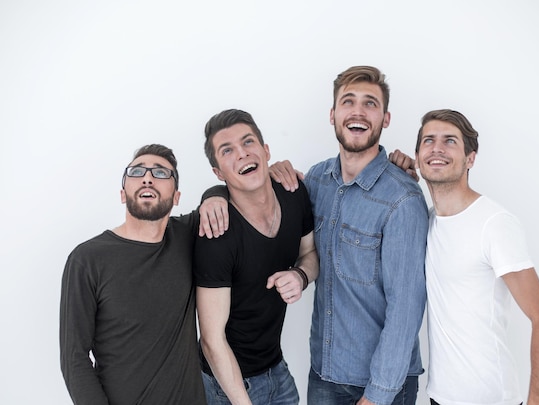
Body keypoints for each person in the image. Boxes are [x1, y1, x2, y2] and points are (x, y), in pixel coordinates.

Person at [200, 66, 429, 405]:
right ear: (333, 114)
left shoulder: (403, 199)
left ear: (386, 118)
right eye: (348, 101)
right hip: (323, 375)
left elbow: (406, 312)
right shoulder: (316, 182)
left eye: (370, 104)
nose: (358, 111)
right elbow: (253, 191)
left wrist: (378, 395)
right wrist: (214, 193)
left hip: (381, 384)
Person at [414, 109, 539, 405]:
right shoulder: (428, 220)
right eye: (429, 140)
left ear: (470, 158)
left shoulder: (494, 223)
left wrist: (538, 402)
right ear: (418, 156)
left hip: (491, 398)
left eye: (450, 141)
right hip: (439, 396)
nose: (437, 148)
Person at [59, 144, 206, 405]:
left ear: (176, 196)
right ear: (123, 193)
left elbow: (230, 198)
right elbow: (74, 358)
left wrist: (215, 195)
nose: (148, 177)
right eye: (137, 172)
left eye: (161, 173)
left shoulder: (187, 236)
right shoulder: (87, 259)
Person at [193, 109, 319, 404]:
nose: (242, 154)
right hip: (227, 385)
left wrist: (300, 275)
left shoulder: (293, 192)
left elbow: (310, 253)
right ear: (218, 173)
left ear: (265, 151)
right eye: (227, 151)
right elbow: (212, 341)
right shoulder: (216, 234)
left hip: (277, 370)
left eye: (248, 142)